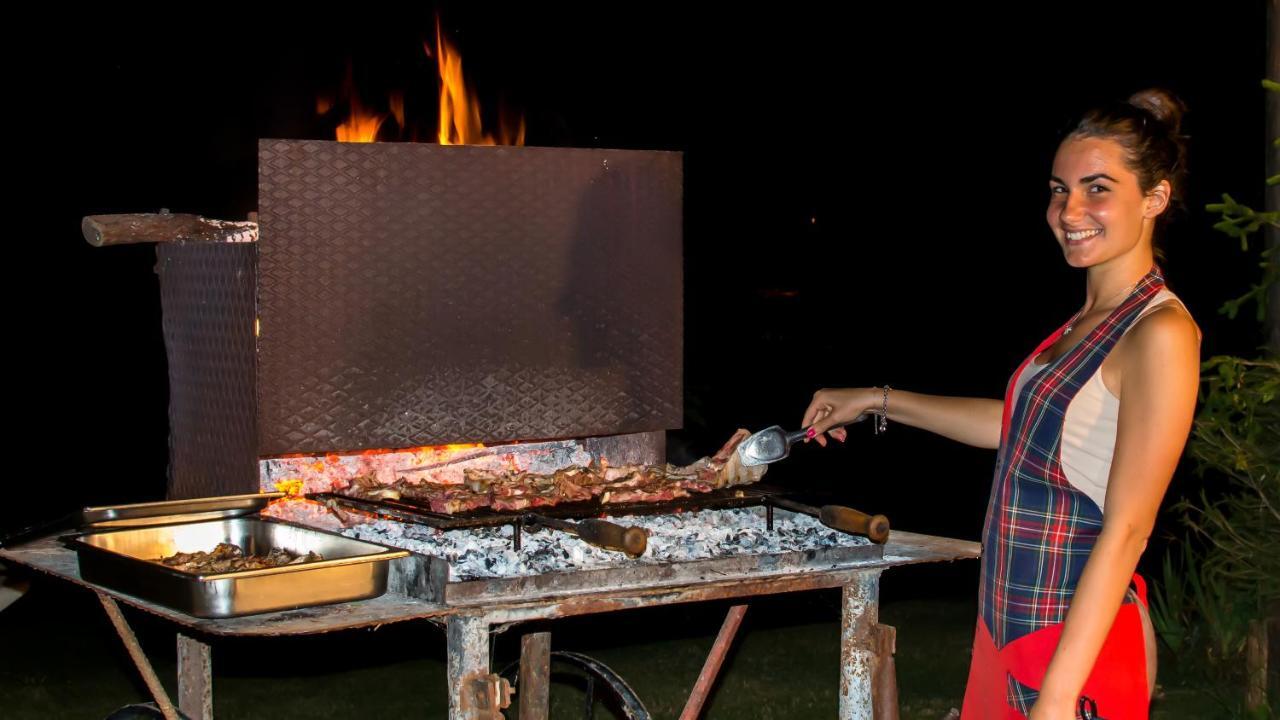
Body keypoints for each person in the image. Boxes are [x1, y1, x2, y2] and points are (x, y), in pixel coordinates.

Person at [801, 89, 1201, 720]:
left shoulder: (1160, 334)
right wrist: (877, 399)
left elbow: (1129, 528)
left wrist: (1059, 699)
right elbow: (1017, 429)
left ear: (1154, 198)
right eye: (1059, 189)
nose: (1070, 210)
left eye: (1098, 188)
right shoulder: (1089, 322)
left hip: (1071, 652)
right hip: (1009, 632)